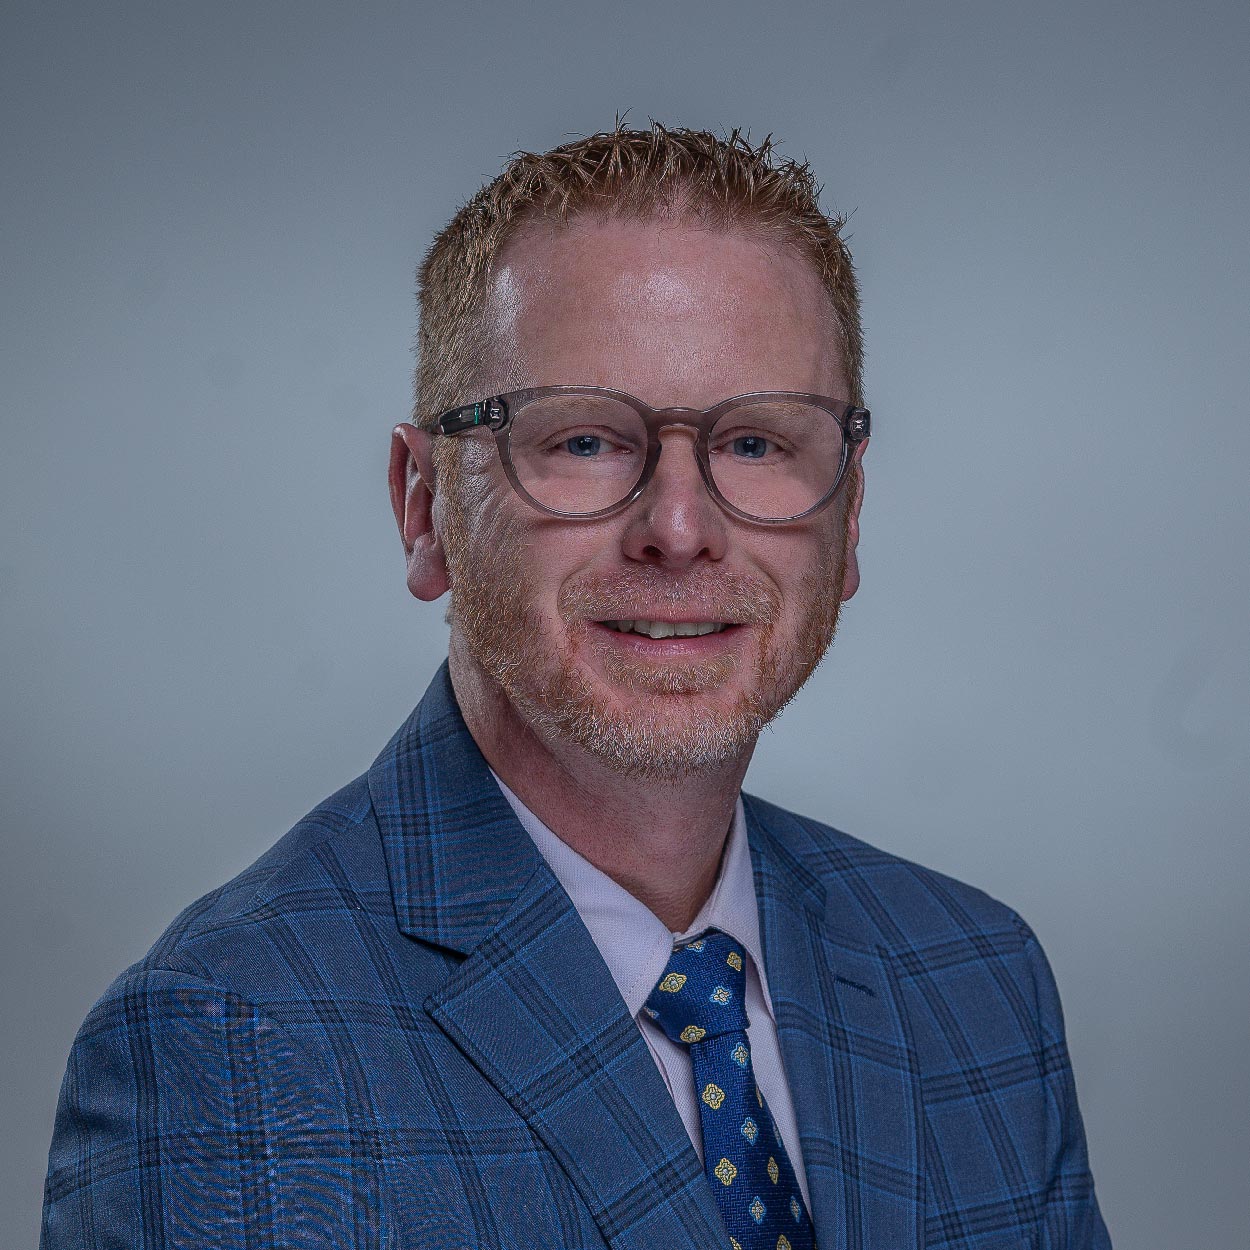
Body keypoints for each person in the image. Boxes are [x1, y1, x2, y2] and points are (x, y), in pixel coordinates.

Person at [41, 124, 1111, 1249]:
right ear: (425, 508)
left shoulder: (974, 979)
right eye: (587, 440)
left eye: (755, 444)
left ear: (847, 521)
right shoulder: (231, 1041)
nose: (679, 530)